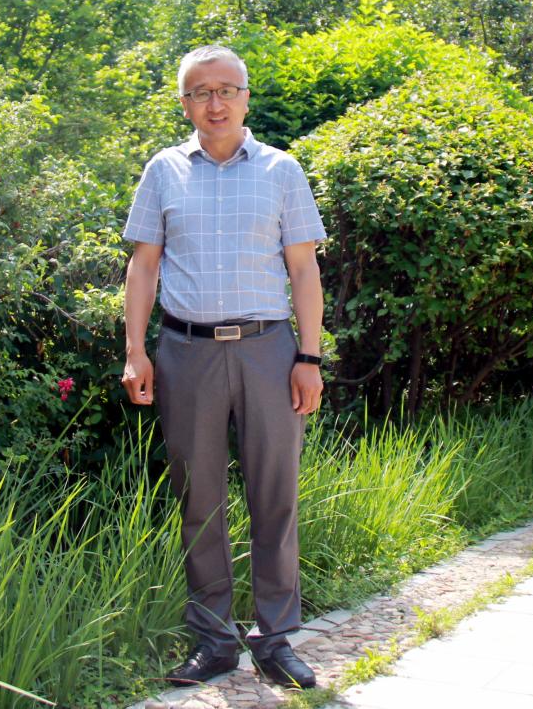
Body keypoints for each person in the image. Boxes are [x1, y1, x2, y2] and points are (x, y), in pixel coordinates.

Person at [120, 45, 325, 690]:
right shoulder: (162, 171)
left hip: (269, 351)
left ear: (245, 97)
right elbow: (143, 266)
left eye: (226, 90)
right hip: (186, 352)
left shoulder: (281, 170)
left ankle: (276, 640)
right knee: (199, 498)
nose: (215, 103)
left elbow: (303, 270)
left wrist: (309, 357)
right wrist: (135, 351)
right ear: (185, 103)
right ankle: (213, 641)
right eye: (201, 92)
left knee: (274, 494)